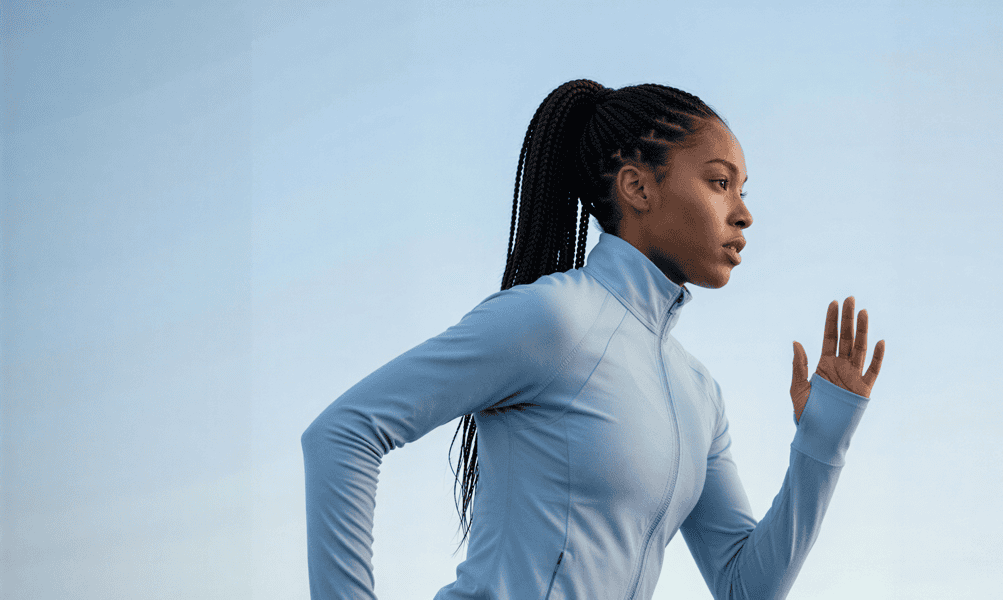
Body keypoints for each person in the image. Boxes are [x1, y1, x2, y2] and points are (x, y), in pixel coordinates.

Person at [302, 79, 885, 600]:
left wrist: (822, 440)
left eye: (743, 190)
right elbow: (343, 433)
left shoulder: (700, 393)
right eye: (719, 183)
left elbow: (743, 588)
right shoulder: (552, 318)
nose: (743, 214)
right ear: (637, 188)